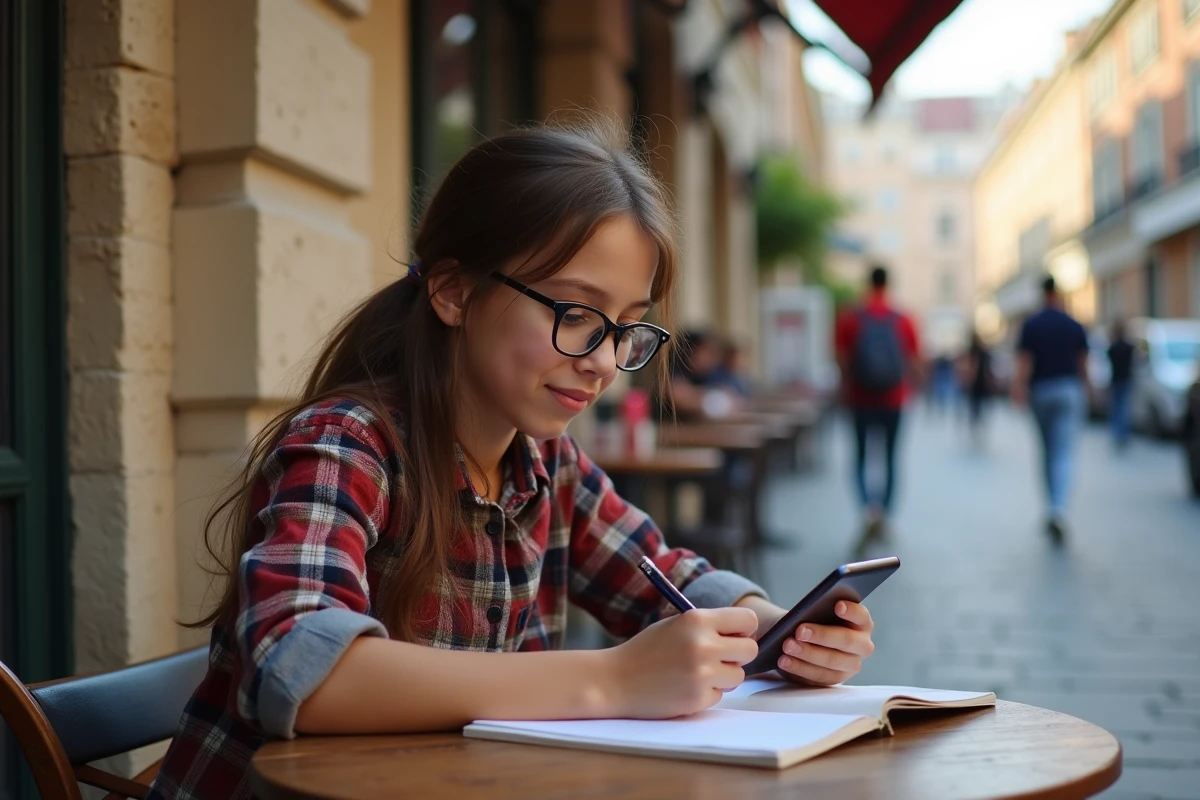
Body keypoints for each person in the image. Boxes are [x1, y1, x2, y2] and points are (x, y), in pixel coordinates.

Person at [148, 124, 877, 800]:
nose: (604, 363)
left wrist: (780, 630)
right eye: (575, 314)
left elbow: (665, 579)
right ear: (454, 292)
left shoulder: (548, 464)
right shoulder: (347, 445)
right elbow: (301, 670)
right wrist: (611, 678)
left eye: (626, 328)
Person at [834, 265, 921, 546]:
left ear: (867, 282)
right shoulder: (903, 318)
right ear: (888, 284)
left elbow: (841, 358)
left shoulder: (851, 317)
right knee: (890, 458)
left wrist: (846, 387)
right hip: (894, 399)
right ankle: (884, 515)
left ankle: (868, 510)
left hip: (859, 398)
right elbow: (914, 360)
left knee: (860, 457)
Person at [1011, 275, 1088, 543]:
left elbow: (1025, 362)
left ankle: (1051, 508)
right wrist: (1087, 389)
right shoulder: (1073, 324)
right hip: (1068, 391)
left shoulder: (1032, 325)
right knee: (1063, 452)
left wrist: (1018, 388)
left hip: (1041, 392)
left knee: (1047, 452)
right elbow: (1083, 362)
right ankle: (1059, 509)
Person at [1107, 319, 1135, 451]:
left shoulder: (1113, 348)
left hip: (1116, 380)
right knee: (1124, 408)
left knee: (1117, 408)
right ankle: (1123, 434)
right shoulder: (1129, 347)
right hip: (1126, 380)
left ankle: (1117, 433)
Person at [964, 331, 994, 447]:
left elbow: (973, 368)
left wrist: (968, 381)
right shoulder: (984, 353)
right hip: (983, 386)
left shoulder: (974, 352)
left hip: (977, 386)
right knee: (980, 408)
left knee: (975, 408)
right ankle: (978, 428)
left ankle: (976, 428)